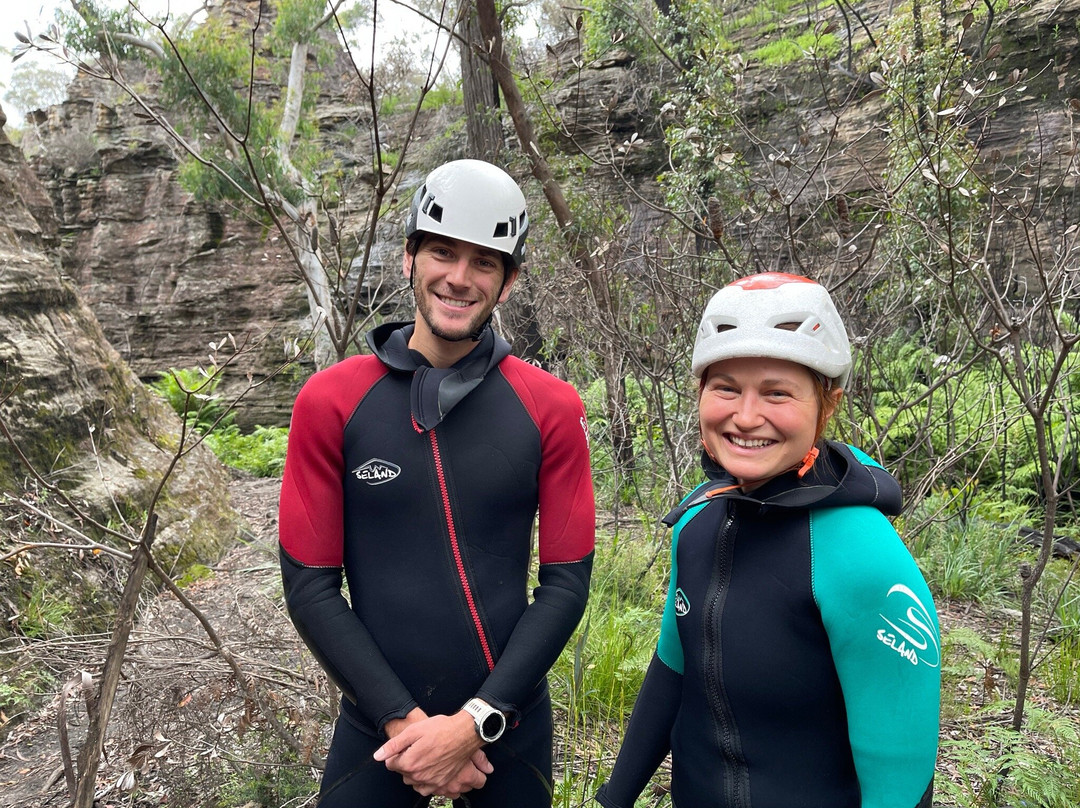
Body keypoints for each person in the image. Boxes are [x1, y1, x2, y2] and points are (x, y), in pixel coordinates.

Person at [278, 159, 596, 807]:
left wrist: (476, 722)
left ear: (507, 282)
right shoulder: (331, 401)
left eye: (485, 262)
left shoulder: (550, 407)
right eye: (443, 253)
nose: (460, 277)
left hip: (509, 721)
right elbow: (310, 587)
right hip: (382, 723)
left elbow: (565, 584)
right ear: (409, 258)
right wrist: (406, 724)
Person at [595, 272, 940, 808]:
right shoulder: (698, 517)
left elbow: (902, 774)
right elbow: (671, 673)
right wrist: (614, 798)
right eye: (726, 387)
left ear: (827, 404)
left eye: (777, 393)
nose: (746, 416)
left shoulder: (863, 556)